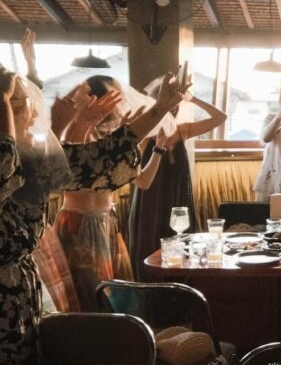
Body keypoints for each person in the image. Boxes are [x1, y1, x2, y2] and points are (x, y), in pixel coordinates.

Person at [43, 73, 184, 311]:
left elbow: (144, 181)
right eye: (112, 100)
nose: (118, 108)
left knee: (118, 297)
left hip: (106, 222)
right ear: (96, 102)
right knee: (94, 298)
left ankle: (119, 340)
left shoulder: (109, 139)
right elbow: (78, 169)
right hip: (81, 224)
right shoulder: (77, 135)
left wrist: (157, 148)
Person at [0, 67, 69, 365]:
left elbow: (95, 164)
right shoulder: (7, 156)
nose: (30, 109)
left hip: (22, 291)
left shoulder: (30, 152)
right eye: (18, 103)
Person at [129, 74, 226, 278]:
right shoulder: (145, 136)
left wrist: (192, 99)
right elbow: (137, 174)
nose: (173, 110)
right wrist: (158, 146)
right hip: (151, 199)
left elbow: (220, 118)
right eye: (169, 105)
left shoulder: (182, 131)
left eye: (176, 106)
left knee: (182, 246)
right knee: (151, 244)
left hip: (178, 196)